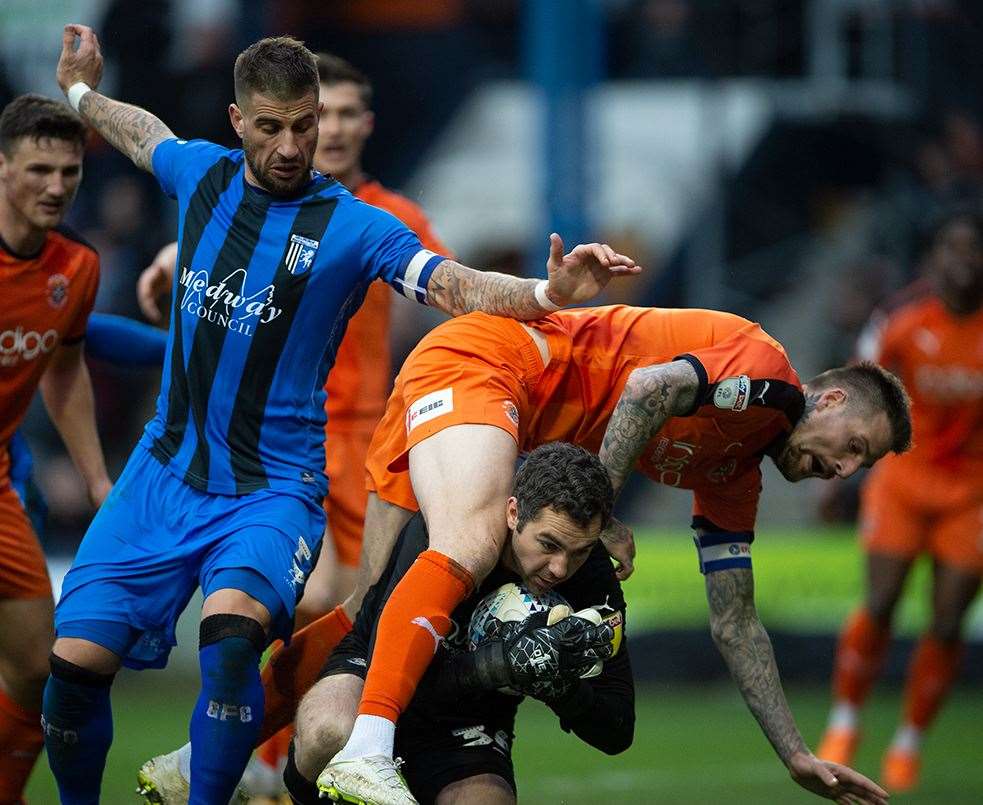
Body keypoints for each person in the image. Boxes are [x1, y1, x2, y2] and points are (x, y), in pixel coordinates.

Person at [44, 25, 638, 804]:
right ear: (236, 121)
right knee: (72, 671)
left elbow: (450, 282)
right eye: (270, 126)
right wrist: (81, 93)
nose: (292, 145)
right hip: (162, 470)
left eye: (305, 123)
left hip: (270, 486)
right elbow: (142, 131)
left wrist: (543, 295)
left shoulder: (355, 224)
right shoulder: (203, 177)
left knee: (230, 643)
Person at [315, 304, 907, 804]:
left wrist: (795, 753)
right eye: (854, 445)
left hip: (504, 417)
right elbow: (649, 386)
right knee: (465, 551)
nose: (846, 470)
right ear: (827, 401)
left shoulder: (734, 471)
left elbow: (736, 623)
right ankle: (367, 748)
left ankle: (241, 736)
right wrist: (602, 515)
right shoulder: (770, 379)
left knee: (368, 606)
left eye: (863, 464)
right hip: (496, 364)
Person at [135, 52, 453, 794]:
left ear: (361, 125)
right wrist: (170, 253)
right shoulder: (266, 201)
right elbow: (236, 237)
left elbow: (443, 284)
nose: (331, 129)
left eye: (342, 115)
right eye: (323, 115)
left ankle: (257, 757)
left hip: (368, 440)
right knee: (303, 603)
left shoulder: (384, 219)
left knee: (348, 613)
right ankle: (254, 759)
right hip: (284, 447)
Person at [293, 442, 631, 805]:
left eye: (579, 551)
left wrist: (558, 683)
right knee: (327, 730)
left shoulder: (593, 576)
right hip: (372, 673)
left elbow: (617, 730)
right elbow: (386, 654)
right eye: (548, 544)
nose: (560, 568)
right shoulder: (455, 525)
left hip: (472, 716)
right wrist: (499, 664)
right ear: (513, 513)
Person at [816, 212, 983, 792]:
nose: (962, 262)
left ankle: (909, 740)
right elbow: (858, 391)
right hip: (904, 484)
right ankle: (845, 720)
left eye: (973, 251)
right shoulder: (903, 321)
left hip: (972, 494)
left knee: (945, 619)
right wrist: (839, 478)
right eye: (951, 250)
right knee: (881, 603)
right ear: (934, 257)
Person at [0, 92, 111, 803]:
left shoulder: (77, 266)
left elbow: (65, 373)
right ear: (2, 166)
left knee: (38, 665)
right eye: (39, 168)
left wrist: (98, 479)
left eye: (68, 171)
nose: (56, 186)